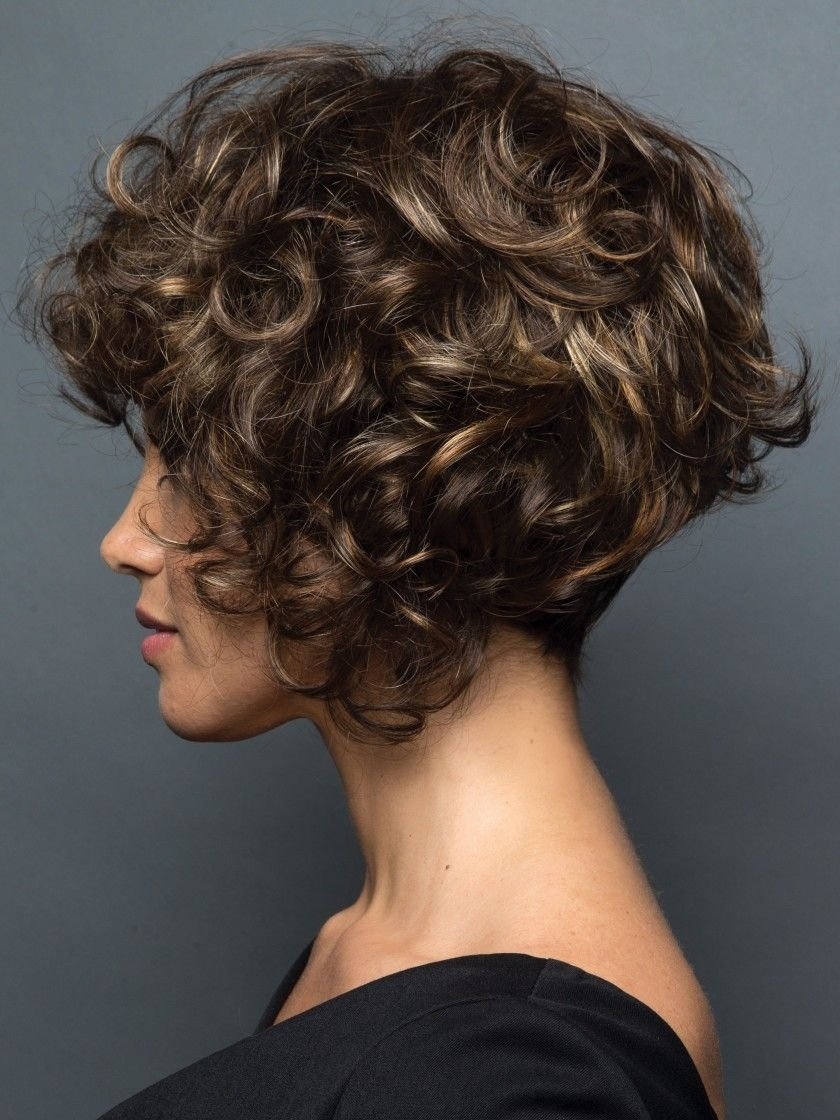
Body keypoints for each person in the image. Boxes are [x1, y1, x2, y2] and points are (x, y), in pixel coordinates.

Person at [16, 18, 821, 1120]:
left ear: (402, 491)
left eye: (192, 465)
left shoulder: (517, 1076)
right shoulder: (388, 959)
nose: (125, 540)